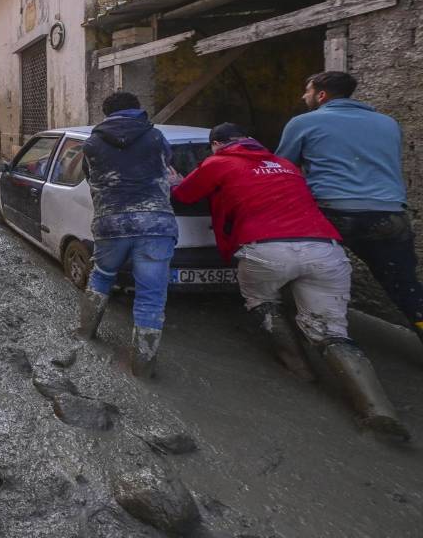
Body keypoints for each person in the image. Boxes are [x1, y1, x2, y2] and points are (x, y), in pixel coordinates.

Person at [174, 123, 408, 439]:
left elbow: (184, 194)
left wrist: (174, 180)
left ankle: (299, 370)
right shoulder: (284, 164)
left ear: (216, 144)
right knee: (331, 331)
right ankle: (377, 409)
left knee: (263, 302)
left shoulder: (218, 162)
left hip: (266, 248)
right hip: (324, 249)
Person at [276, 71, 423, 348]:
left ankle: (307, 337)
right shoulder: (388, 123)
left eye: (308, 91)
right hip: (389, 215)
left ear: (321, 95)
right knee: (406, 287)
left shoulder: (304, 122)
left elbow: (282, 168)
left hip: (332, 212)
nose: (304, 96)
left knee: (300, 270)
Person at [75, 91, 178, 378]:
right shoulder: (155, 137)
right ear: (138, 109)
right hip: (155, 225)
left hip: (111, 223)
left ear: (106, 114)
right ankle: (142, 369)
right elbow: (167, 165)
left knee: (101, 276)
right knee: (151, 296)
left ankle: (85, 333)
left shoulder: (92, 143)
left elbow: (90, 177)